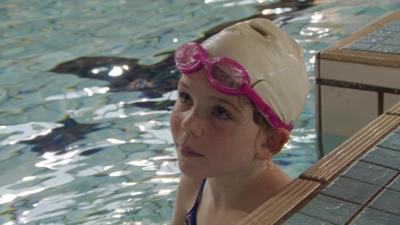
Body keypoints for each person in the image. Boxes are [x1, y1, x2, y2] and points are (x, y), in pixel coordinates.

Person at [170, 18, 310, 225]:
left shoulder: (283, 216)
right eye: (185, 97)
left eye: (220, 112)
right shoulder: (195, 182)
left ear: (269, 141)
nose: (189, 124)